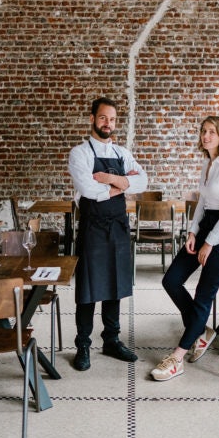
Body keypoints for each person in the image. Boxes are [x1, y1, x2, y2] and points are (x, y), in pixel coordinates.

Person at [150, 115, 219, 381]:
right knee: (172, 280)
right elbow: (203, 202)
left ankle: (177, 358)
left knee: (204, 294)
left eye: (212, 131)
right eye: (203, 131)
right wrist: (193, 232)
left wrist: (210, 242)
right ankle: (201, 331)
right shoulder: (208, 163)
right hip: (206, 226)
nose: (206, 136)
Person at [68, 96, 148, 371]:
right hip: (93, 227)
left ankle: (111, 340)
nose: (108, 124)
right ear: (92, 118)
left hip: (118, 226)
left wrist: (111, 180)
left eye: (112, 119)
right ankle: (82, 345)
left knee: (115, 286)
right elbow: (88, 189)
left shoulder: (122, 153)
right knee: (88, 289)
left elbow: (143, 180)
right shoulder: (79, 153)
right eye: (103, 118)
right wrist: (123, 185)